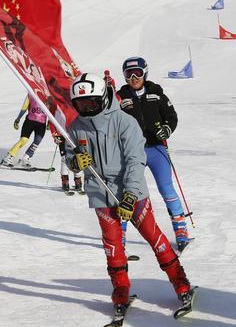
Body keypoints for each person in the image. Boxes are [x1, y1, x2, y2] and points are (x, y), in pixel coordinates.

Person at [65, 72, 192, 312]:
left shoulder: (124, 122)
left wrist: (131, 195)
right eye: (81, 104)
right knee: (112, 245)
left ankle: (180, 282)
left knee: (153, 236)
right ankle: (120, 289)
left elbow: (136, 160)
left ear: (102, 97)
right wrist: (75, 163)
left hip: (131, 193)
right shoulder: (76, 127)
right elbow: (70, 155)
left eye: (91, 103)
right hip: (101, 193)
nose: (87, 109)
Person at [117, 57, 191, 252]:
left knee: (167, 188)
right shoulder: (120, 97)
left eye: (138, 73)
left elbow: (171, 116)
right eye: (128, 74)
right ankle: (120, 233)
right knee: (128, 191)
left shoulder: (157, 93)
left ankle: (180, 228)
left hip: (156, 148)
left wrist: (167, 129)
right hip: (133, 151)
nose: (133, 78)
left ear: (145, 73)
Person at [1, 94, 49, 168]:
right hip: (30, 121)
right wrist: (18, 118)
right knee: (24, 140)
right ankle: (8, 157)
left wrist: (50, 123)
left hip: (41, 123)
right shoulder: (31, 93)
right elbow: (25, 107)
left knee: (37, 141)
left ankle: (26, 158)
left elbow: (52, 110)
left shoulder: (49, 95)